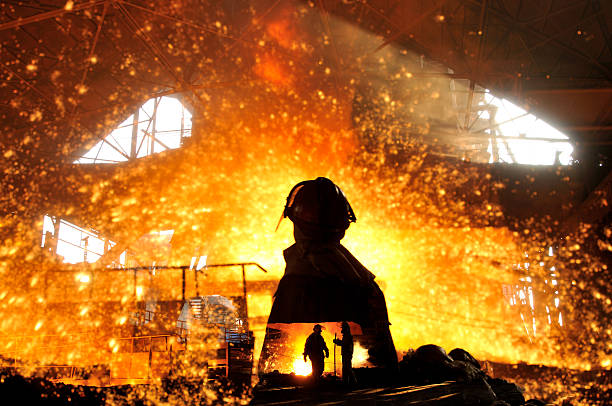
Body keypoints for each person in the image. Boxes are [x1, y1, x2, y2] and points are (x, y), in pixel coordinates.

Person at [333, 321, 357, 385]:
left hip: (347, 354)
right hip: (346, 354)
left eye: (342, 328)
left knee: (347, 368)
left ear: (345, 328)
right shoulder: (346, 335)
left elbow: (345, 344)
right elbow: (344, 344)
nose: (342, 329)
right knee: (345, 368)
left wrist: (337, 342)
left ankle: (352, 382)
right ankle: (346, 382)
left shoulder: (347, 336)